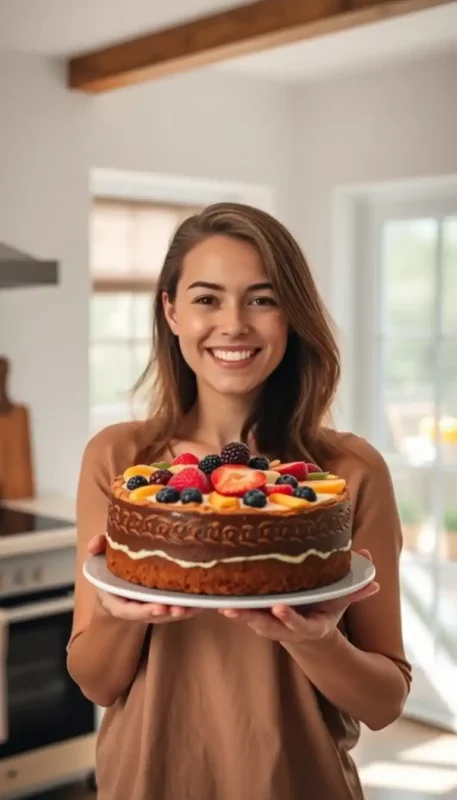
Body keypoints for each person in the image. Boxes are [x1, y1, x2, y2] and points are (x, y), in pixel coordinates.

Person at [67, 202, 411, 800]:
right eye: (207, 299)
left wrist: (316, 639)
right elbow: (95, 683)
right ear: (171, 311)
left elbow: (383, 703)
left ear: (293, 315)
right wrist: (122, 618)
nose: (234, 324)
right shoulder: (120, 461)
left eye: (262, 298)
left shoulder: (349, 473)